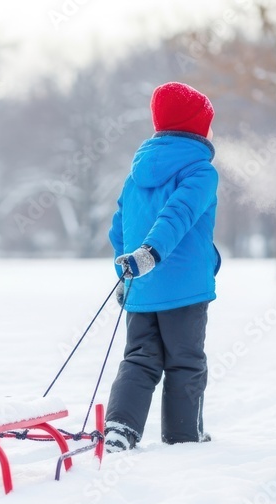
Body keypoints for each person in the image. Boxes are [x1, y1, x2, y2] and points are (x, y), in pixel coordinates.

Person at [104, 82, 221, 453]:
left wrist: (125, 271)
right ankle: (184, 436)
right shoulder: (201, 172)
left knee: (139, 357)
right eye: (209, 122)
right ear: (196, 127)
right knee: (185, 361)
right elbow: (178, 214)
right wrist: (150, 254)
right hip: (184, 289)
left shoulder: (136, 174)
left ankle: (121, 428)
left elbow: (119, 226)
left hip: (142, 288)